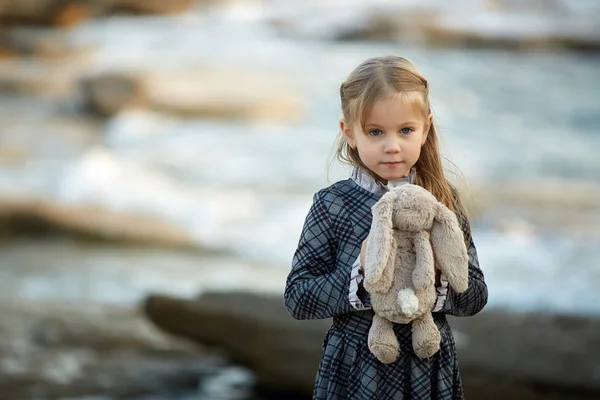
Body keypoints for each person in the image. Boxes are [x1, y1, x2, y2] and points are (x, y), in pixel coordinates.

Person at [283, 55, 488, 399]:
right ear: (349, 132)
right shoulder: (333, 204)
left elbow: (476, 295)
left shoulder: (441, 200)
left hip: (428, 367)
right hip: (356, 370)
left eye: (405, 130)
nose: (392, 145)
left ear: (426, 128)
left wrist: (438, 279)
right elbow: (298, 297)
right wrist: (361, 275)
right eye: (375, 132)